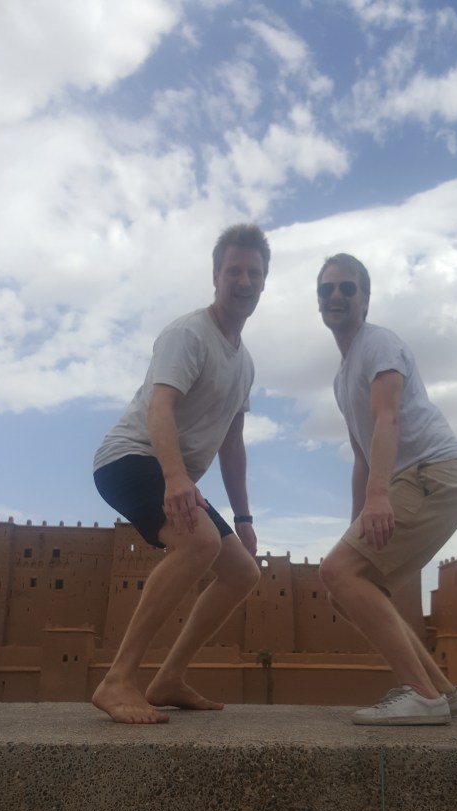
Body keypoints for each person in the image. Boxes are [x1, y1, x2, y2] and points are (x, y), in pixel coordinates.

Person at [91, 224, 270, 723]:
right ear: (216, 276)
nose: (244, 281)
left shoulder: (245, 364)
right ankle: (117, 680)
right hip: (129, 459)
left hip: (171, 472)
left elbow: (232, 444)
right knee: (199, 544)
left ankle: (168, 678)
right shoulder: (188, 334)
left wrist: (244, 517)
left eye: (254, 273)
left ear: (264, 282)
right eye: (234, 271)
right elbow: (160, 408)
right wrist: (175, 479)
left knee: (242, 572)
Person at [316, 253, 457, 725]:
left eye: (347, 288)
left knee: (338, 573)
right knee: (347, 583)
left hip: (434, 472)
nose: (336, 296)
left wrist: (378, 497)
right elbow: (361, 454)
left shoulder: (378, 344)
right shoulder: (342, 376)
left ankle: (421, 695)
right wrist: (356, 524)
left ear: (365, 299)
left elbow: (387, 417)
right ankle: (441, 691)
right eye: (327, 289)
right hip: (420, 477)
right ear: (319, 302)